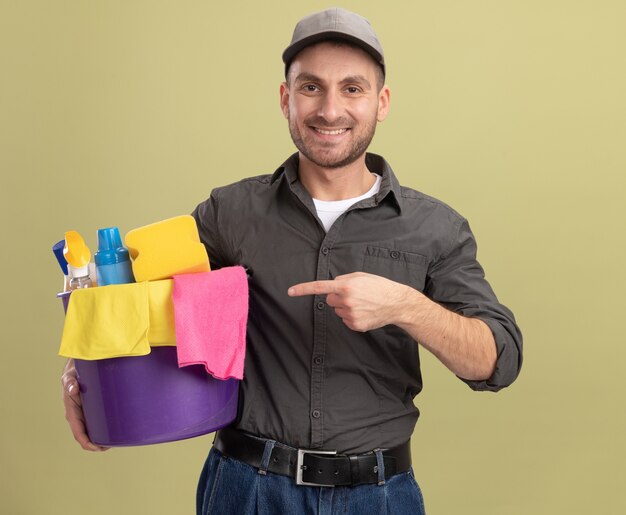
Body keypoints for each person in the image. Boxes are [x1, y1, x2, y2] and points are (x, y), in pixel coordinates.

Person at [62, 8, 522, 514]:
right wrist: (83, 377)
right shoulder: (229, 213)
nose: (330, 110)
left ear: (381, 102)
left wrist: (405, 305)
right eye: (310, 87)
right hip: (245, 491)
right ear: (286, 98)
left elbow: (497, 361)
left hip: (380, 498)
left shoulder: (436, 227)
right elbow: (140, 303)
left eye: (352, 88)